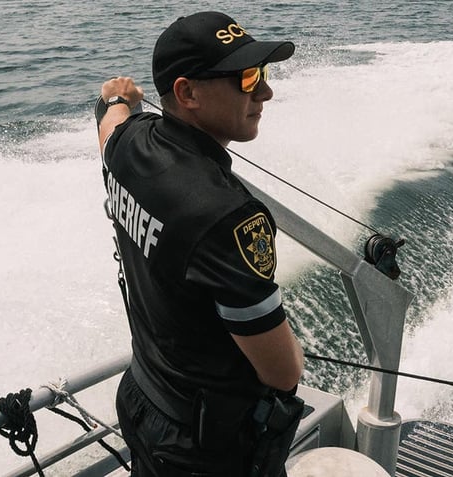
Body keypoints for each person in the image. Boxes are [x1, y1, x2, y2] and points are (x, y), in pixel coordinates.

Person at [95, 11, 304, 477]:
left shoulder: (129, 146)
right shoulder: (230, 218)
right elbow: (283, 374)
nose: (265, 93)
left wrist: (115, 96)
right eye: (248, 78)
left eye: (263, 74)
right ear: (187, 92)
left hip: (142, 397)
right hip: (204, 450)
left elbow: (110, 124)